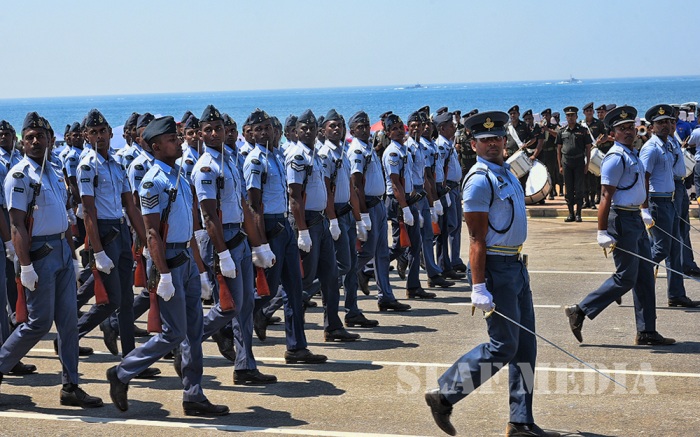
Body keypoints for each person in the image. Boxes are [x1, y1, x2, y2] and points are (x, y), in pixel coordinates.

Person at [425, 111, 559, 437]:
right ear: (473, 144)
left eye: (497, 138)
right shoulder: (478, 180)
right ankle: (445, 394)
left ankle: (521, 421)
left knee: (525, 348)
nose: (493, 144)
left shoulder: (506, 172)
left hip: (516, 265)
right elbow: (476, 238)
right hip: (496, 269)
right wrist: (478, 286)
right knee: (503, 347)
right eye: (485, 140)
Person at [107, 116, 229, 416]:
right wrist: (162, 274)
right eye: (172, 139)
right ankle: (122, 372)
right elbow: (151, 233)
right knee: (174, 333)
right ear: (156, 146)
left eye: (177, 137)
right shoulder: (153, 182)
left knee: (194, 331)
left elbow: (188, 229)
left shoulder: (179, 176)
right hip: (169, 263)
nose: (178, 142)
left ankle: (193, 394)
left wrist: (200, 270)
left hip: (186, 260)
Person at [0, 112, 103, 408]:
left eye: (40, 136)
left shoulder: (54, 171)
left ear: (50, 139)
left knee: (69, 323)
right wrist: (25, 265)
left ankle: (71, 385)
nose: (35, 141)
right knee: (38, 323)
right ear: (22, 142)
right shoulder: (20, 175)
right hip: (39, 254)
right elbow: (17, 224)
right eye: (29, 137)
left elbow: (64, 217)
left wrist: (72, 255)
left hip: (61, 251)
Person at [564, 105, 676, 346]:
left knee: (645, 276)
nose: (628, 131)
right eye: (622, 128)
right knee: (626, 277)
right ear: (612, 134)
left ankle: (646, 331)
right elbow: (605, 196)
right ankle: (580, 310)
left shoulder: (632, 153)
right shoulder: (615, 158)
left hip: (634, 218)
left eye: (630, 127)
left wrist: (644, 209)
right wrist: (601, 231)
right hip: (622, 220)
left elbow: (640, 185)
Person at [191, 104, 277, 384]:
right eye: (209, 130)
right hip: (221, 239)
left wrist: (259, 245)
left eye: (219, 128)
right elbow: (209, 215)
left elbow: (243, 205)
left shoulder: (229, 159)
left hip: (238, 235)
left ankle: (245, 366)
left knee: (246, 305)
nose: (215, 133)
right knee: (229, 306)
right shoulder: (205, 167)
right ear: (201, 135)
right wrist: (223, 253)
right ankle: (187, 340)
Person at [77, 109, 159, 378]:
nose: (99, 136)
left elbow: (131, 206)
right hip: (103, 233)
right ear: (87, 136)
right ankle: (72, 334)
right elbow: (88, 211)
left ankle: (131, 361)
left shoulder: (116, 164)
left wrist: (145, 240)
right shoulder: (87, 166)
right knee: (111, 300)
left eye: (103, 131)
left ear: (111, 133)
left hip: (121, 230)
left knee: (125, 300)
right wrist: (98, 251)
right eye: (93, 132)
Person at [243, 109, 328, 362]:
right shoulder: (255, 160)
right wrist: (260, 244)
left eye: (267, 128)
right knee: (267, 290)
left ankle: (296, 346)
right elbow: (254, 205)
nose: (264, 133)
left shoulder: (276, 157)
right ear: (251, 134)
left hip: (284, 225)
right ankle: (229, 322)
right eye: (258, 129)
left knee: (294, 289)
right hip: (269, 228)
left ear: (274, 131)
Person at [286, 110, 359, 341]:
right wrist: (302, 231)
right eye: (303, 128)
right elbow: (294, 196)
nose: (308, 132)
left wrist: (330, 220)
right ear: (296, 132)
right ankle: (273, 309)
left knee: (331, 274)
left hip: (322, 220)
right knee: (305, 279)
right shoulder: (298, 156)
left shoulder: (315, 154)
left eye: (311, 128)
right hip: (307, 221)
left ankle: (333, 327)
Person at [319, 110, 378, 326]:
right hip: (334, 214)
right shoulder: (325, 155)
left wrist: (359, 218)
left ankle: (352, 311)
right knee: (340, 267)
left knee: (351, 266)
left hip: (347, 214)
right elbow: (326, 190)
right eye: (332, 126)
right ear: (323, 130)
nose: (337, 129)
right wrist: (333, 220)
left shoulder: (341, 152)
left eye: (339, 126)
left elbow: (351, 189)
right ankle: (303, 293)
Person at [349, 111, 411, 313]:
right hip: (368, 205)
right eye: (360, 127)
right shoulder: (356, 150)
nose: (365, 129)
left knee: (382, 253)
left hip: (378, 204)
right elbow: (356, 185)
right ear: (352, 131)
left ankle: (386, 296)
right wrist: (363, 214)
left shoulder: (367, 147)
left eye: (366, 126)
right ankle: (341, 278)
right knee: (367, 252)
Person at [640, 104, 699, 307]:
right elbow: (644, 178)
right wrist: (644, 208)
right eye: (661, 122)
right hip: (658, 201)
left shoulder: (668, 143)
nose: (667, 125)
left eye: (669, 121)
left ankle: (676, 294)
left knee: (675, 248)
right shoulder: (651, 148)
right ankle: (628, 276)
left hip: (672, 197)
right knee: (661, 249)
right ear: (652, 127)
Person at [385, 112, 434, 299]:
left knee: (415, 244)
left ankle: (413, 286)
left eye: (400, 128)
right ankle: (368, 269)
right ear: (388, 133)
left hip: (409, 200)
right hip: (398, 202)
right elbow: (395, 183)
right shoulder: (392, 152)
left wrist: (415, 205)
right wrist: (405, 209)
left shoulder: (404, 149)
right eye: (394, 129)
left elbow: (410, 178)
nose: (399, 131)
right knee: (400, 246)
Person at [434, 112, 467, 279]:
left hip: (455, 188)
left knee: (456, 226)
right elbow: (440, 170)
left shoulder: (448, 143)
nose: (454, 127)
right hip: (448, 189)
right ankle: (444, 262)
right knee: (449, 226)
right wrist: (444, 190)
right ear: (442, 128)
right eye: (450, 125)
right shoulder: (441, 145)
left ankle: (454, 259)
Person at [556, 106, 592, 222]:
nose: (570, 117)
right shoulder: (561, 131)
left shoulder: (583, 130)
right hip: (567, 163)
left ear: (576, 116)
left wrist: (587, 164)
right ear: (566, 117)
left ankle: (578, 214)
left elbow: (588, 148)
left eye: (572, 115)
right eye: (568, 115)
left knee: (579, 188)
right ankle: (571, 213)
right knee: (569, 189)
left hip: (579, 162)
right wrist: (560, 166)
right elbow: (559, 150)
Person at [581, 102, 606, 209]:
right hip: (585, 154)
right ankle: (585, 201)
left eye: (591, 111)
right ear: (584, 113)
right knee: (585, 179)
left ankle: (592, 202)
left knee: (593, 180)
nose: (589, 113)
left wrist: (601, 141)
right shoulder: (581, 124)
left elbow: (605, 135)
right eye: (587, 111)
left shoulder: (599, 123)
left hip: (595, 153)